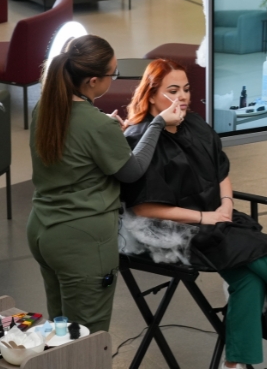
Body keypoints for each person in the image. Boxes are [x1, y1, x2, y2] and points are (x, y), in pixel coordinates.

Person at [121, 59, 267, 369]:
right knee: (254, 247)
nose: (183, 97)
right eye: (172, 91)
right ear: (151, 95)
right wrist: (204, 218)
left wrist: (226, 203)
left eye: (186, 89)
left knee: (249, 279)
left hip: (215, 216)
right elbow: (143, 207)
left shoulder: (195, 124)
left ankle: (233, 365)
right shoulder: (140, 138)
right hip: (170, 232)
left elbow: (221, 171)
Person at [26, 35, 183, 333]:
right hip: (81, 241)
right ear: (93, 81)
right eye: (113, 73)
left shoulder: (46, 108)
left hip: (42, 232)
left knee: (61, 335)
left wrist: (107, 133)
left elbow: (75, 147)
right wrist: (158, 124)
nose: (114, 78)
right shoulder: (98, 125)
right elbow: (132, 171)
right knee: (88, 340)